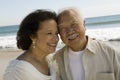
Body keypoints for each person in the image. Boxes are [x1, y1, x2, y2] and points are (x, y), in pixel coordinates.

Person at [53, 7, 120, 80]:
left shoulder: (111, 53)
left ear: (84, 24)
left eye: (74, 24)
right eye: (63, 28)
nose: (70, 31)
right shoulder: (56, 60)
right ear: (59, 33)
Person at [3, 9, 59, 80]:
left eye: (56, 33)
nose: (56, 39)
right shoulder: (17, 70)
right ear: (33, 36)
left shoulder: (51, 61)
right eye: (49, 33)